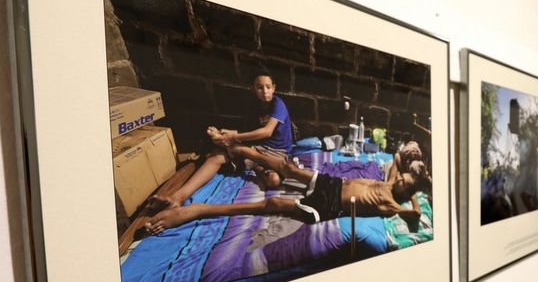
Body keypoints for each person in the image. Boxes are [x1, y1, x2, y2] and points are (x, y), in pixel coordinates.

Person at [145, 148, 430, 234]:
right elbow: (395, 157)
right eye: (404, 177)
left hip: (330, 205)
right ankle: (238, 148)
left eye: (406, 182)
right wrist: (412, 169)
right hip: (333, 183)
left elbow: (415, 217)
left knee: (276, 203)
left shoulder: (392, 201)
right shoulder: (390, 181)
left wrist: (414, 192)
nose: (401, 178)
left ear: (408, 190)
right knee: (288, 168)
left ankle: (197, 210)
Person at [145, 72, 291, 213]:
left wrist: (233, 137)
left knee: (273, 180)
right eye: (259, 87)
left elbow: (267, 132)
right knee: (218, 156)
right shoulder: (253, 107)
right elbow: (248, 133)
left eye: (268, 87)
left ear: (274, 88)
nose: (264, 91)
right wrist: (225, 134)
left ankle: (255, 164)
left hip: (276, 151)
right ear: (253, 89)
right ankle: (177, 198)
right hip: (257, 148)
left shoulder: (278, 104)